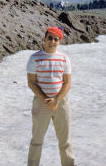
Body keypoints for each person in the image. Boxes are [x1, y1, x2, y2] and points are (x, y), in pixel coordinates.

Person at [26, 26, 75, 166]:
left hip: (61, 103)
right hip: (41, 104)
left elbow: (67, 83)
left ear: (59, 42)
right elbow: (31, 82)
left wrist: (57, 100)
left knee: (65, 140)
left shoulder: (64, 59)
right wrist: (46, 100)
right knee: (37, 140)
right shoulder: (34, 58)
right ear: (44, 38)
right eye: (50, 38)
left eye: (56, 39)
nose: (52, 41)